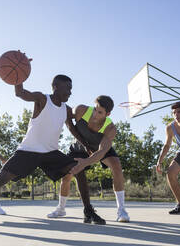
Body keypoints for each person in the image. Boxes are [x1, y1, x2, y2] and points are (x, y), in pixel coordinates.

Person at [0, 74, 82, 229]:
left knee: (79, 169)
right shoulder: (42, 99)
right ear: (56, 87)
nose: (70, 92)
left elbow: (74, 127)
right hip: (28, 151)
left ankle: (88, 211)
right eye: (68, 88)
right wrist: (19, 74)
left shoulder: (66, 110)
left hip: (51, 152)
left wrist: (88, 145)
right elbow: (20, 93)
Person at [47, 95, 130, 223]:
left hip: (98, 148)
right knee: (67, 175)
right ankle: (61, 208)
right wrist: (84, 144)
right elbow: (67, 118)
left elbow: (102, 151)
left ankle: (122, 211)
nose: (95, 114)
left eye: (100, 112)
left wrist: (85, 162)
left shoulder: (110, 128)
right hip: (79, 147)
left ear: (108, 114)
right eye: (95, 109)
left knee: (116, 166)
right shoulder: (81, 110)